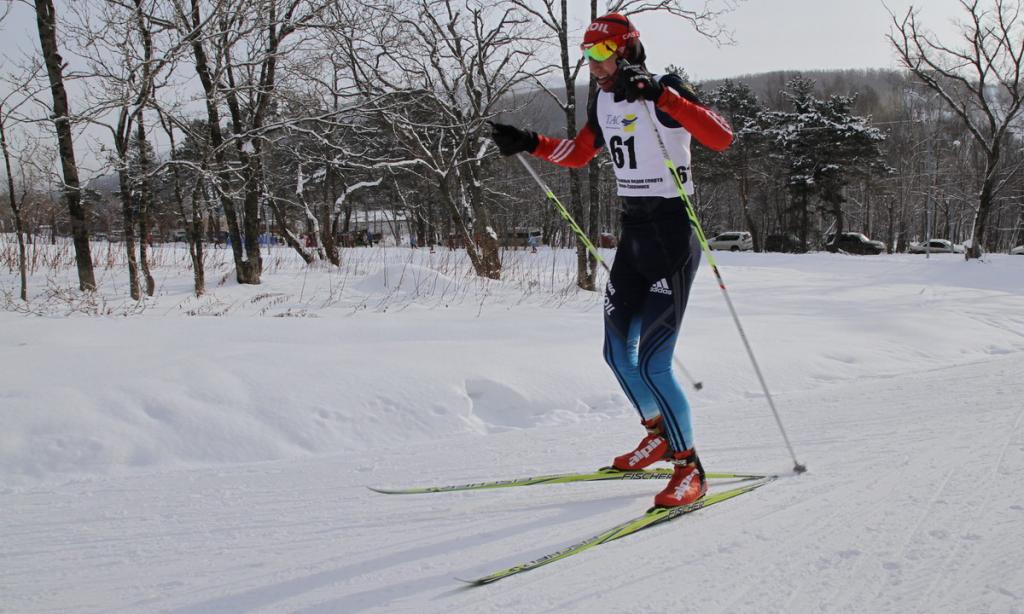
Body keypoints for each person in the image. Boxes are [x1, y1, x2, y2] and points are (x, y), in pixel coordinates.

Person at [489, 12, 732, 508]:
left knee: (655, 363)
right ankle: (658, 434)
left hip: (671, 235)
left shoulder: (665, 88)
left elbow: (721, 137)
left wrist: (663, 96)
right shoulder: (602, 98)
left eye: (600, 54)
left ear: (626, 50)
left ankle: (691, 470)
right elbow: (580, 154)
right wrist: (530, 143)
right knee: (617, 354)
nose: (593, 65)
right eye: (587, 55)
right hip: (634, 236)